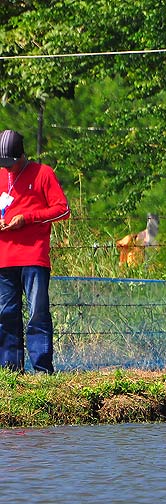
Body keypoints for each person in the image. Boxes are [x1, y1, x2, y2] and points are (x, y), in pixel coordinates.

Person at [0, 129, 71, 373]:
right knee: (6, 314)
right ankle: (10, 371)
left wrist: (27, 218)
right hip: (4, 258)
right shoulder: (0, 175)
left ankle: (42, 369)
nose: (7, 168)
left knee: (36, 313)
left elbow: (62, 209)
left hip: (33, 257)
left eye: (11, 163)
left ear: (22, 155)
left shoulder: (43, 174)